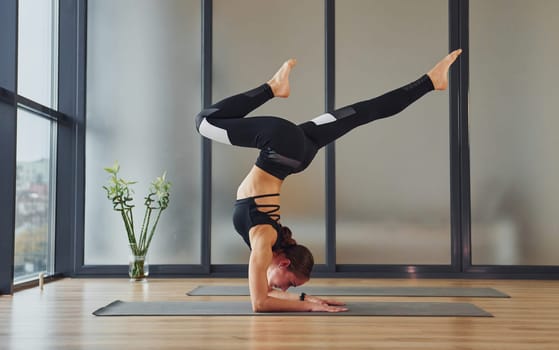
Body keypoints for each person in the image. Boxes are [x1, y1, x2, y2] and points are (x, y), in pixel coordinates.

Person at [195, 49, 462, 312]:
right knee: (204, 121)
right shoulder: (264, 243)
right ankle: (273, 87)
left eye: (291, 287)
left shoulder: (267, 242)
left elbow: (263, 299)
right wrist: (310, 306)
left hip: (298, 152)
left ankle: (430, 82)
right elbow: (261, 302)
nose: (285, 290)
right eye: (291, 285)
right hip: (282, 148)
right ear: (284, 264)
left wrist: (308, 300)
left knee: (363, 113)